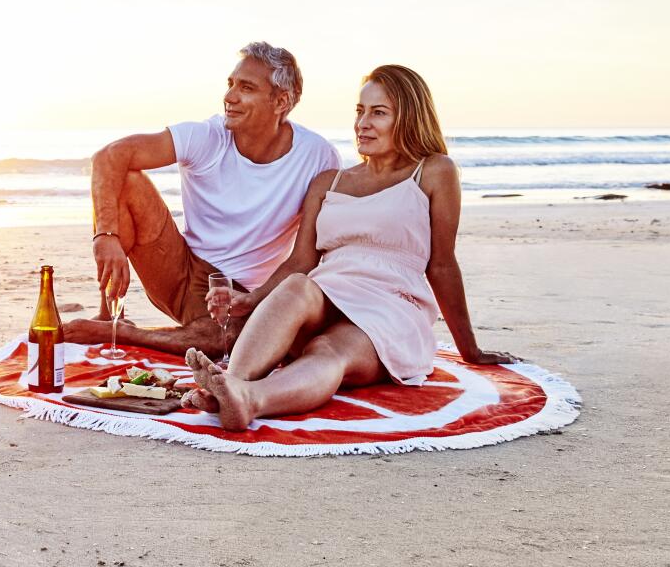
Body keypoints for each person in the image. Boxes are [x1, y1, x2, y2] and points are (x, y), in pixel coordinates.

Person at [184, 64, 518, 430]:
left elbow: (441, 265)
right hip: (325, 295)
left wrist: (469, 348)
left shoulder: (435, 171)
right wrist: (255, 298)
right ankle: (233, 381)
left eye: (378, 113)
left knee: (328, 350)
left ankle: (251, 400)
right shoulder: (329, 182)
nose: (363, 123)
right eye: (360, 111)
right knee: (298, 286)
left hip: (389, 308)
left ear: (409, 117)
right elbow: (301, 261)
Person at [61, 42, 342, 356]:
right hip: (175, 265)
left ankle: (126, 334)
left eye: (246, 88)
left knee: (223, 341)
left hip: (239, 290)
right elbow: (109, 156)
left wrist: (259, 298)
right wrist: (106, 236)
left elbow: (305, 257)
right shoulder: (208, 137)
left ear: (281, 101)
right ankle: (110, 313)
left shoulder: (318, 156)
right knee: (126, 180)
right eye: (230, 84)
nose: (230, 97)